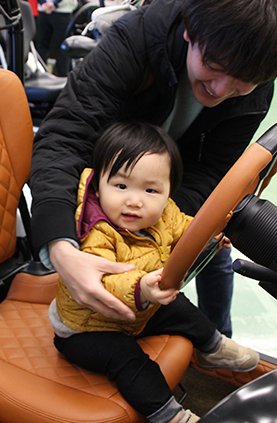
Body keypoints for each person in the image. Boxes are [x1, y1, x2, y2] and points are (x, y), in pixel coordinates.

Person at [29, 0, 277, 337]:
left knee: (214, 253)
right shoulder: (136, 39)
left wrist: (168, 233)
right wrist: (61, 246)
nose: (221, 91)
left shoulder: (255, 77)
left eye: (241, 83)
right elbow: (65, 136)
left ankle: (215, 345)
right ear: (190, 31)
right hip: (114, 189)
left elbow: (212, 171)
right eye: (212, 66)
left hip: (170, 195)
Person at [51, 122, 258, 423]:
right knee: (127, 359)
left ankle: (212, 347)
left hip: (136, 313)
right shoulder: (96, 231)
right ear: (99, 186)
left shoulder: (165, 213)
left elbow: (186, 228)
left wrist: (209, 238)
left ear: (168, 192)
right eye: (121, 186)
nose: (135, 200)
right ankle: (169, 414)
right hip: (87, 328)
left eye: (150, 189)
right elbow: (103, 284)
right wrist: (142, 289)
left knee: (182, 307)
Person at [32, 0, 82, 77]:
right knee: (63, 48)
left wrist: (43, 3)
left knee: (41, 46)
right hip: (62, 12)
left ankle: (40, 77)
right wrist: (54, 4)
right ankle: (63, 79)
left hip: (43, 11)